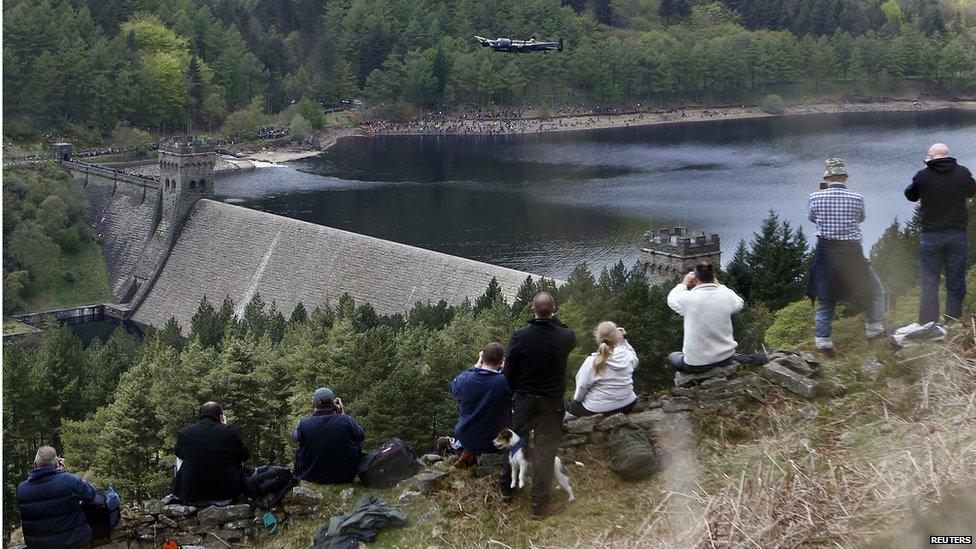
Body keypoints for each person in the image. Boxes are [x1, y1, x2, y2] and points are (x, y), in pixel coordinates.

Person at [504, 292, 577, 518]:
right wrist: (553, 318)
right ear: (553, 310)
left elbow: (508, 373)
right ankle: (538, 506)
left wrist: (517, 392)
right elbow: (566, 331)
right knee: (545, 453)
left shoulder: (520, 336)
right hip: (551, 405)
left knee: (514, 445)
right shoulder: (564, 337)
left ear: (532, 310)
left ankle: (506, 490)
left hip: (525, 401)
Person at [806, 158, 887, 350]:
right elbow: (861, 218)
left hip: (826, 254)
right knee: (875, 291)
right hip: (852, 255)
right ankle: (874, 327)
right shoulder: (857, 198)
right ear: (844, 177)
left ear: (827, 177)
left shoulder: (815, 197)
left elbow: (812, 218)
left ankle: (823, 340)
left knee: (827, 298)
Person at [905, 143, 976, 325]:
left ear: (930, 157)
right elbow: (972, 191)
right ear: (948, 155)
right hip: (957, 234)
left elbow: (910, 195)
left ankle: (929, 324)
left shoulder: (923, 176)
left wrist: (925, 169)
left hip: (931, 236)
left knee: (930, 283)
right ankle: (952, 320)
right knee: (956, 280)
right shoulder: (962, 173)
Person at [16, 446, 99, 548]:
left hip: (38, 545)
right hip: (72, 542)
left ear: (35, 464)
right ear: (56, 464)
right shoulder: (69, 480)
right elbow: (90, 494)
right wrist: (64, 472)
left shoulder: (21, 488)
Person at [667, 262, 744, 371]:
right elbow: (739, 302)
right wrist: (720, 285)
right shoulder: (726, 296)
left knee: (673, 356)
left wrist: (684, 283)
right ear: (714, 278)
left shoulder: (687, 299)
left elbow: (671, 299)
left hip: (696, 364)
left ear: (695, 280)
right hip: (726, 358)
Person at [172, 401, 250, 505]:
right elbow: (245, 455)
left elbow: (178, 453)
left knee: (180, 458)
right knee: (234, 453)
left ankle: (177, 494)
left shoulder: (185, 432)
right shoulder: (230, 431)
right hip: (225, 497)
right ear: (220, 416)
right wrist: (225, 426)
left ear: (200, 415)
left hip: (192, 497)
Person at [449, 343, 512, 469]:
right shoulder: (505, 382)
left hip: (467, 438)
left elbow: (453, 387)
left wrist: (476, 365)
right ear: (501, 361)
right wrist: (504, 369)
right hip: (496, 441)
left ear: (482, 358)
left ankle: (467, 454)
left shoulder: (464, 379)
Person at [293, 387, 365, 485]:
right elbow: (360, 436)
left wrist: (314, 414)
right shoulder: (346, 420)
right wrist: (341, 413)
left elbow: (295, 437)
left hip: (310, 476)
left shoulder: (304, 424)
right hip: (345, 476)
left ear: (313, 403)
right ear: (333, 403)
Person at [567, 321, 638, 418]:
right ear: (616, 337)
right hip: (628, 403)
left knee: (565, 407)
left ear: (597, 337)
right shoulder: (626, 354)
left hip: (600, 409)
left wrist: (576, 402)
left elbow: (582, 386)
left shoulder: (592, 361)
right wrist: (623, 341)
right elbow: (634, 360)